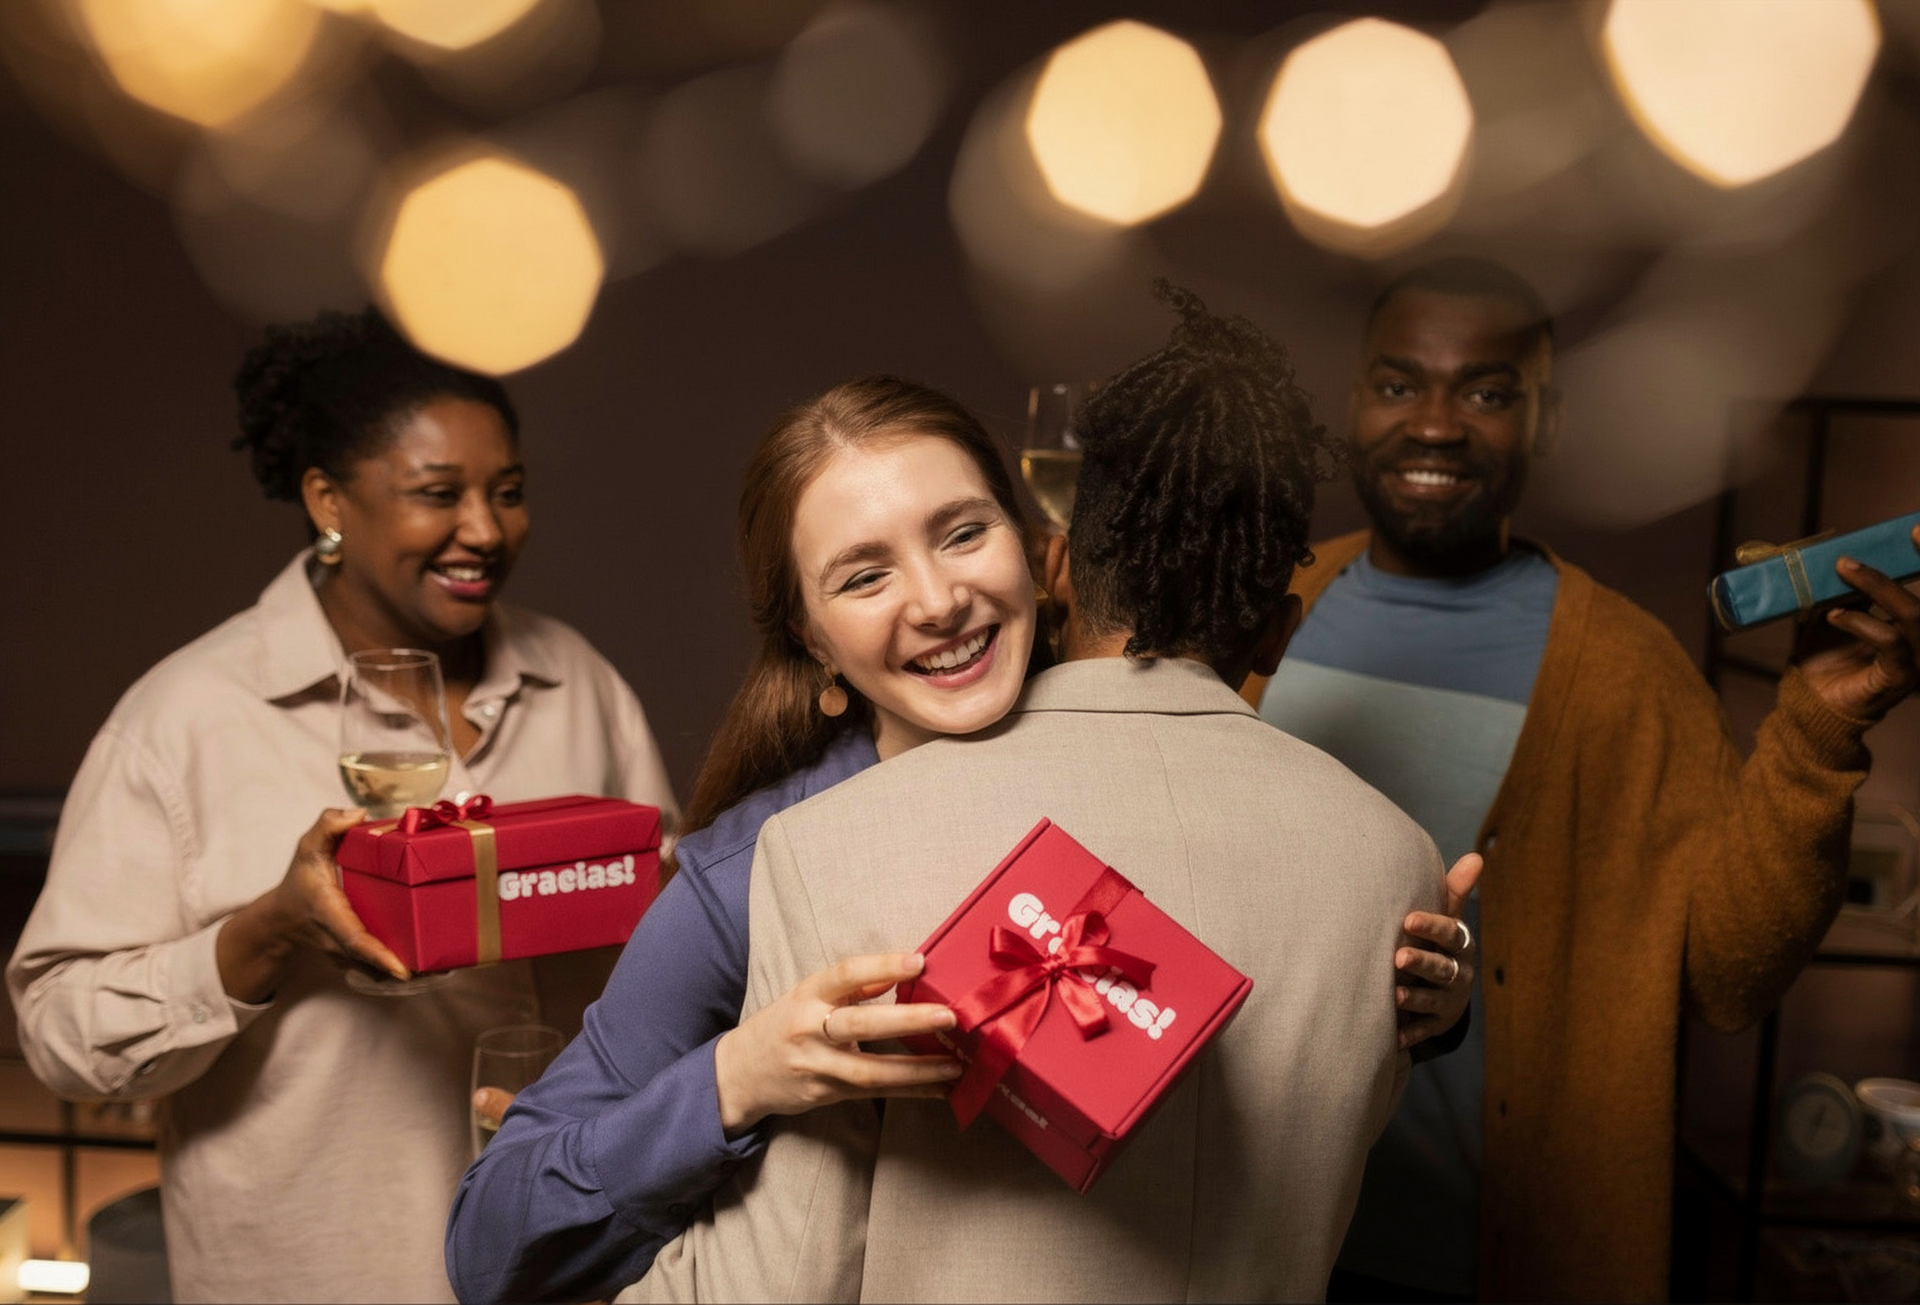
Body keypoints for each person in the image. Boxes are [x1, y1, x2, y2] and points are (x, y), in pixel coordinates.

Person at [446, 369, 1479, 1303]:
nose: (939, 602)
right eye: (864, 576)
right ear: (812, 638)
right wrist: (738, 1078)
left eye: (962, 533)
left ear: (1041, 552)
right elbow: (491, 1245)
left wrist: (1417, 994)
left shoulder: (1184, 770)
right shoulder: (754, 870)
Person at [1244, 256, 1920, 1302]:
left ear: (1547, 419)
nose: (1434, 424)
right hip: (1246, 1247)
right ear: (1354, 400)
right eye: (1399, 384)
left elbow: (1730, 980)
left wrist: (1820, 733)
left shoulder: (1626, 669)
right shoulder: (1256, 610)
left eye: (1486, 393)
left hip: (1471, 1264)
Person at [6, 308, 675, 1303]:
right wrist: (269, 932)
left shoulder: (578, 681)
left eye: (508, 492)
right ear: (328, 500)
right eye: (438, 494)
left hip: (572, 1268)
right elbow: (62, 1036)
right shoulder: (186, 719)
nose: (486, 530)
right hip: (323, 1273)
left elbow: (669, 940)